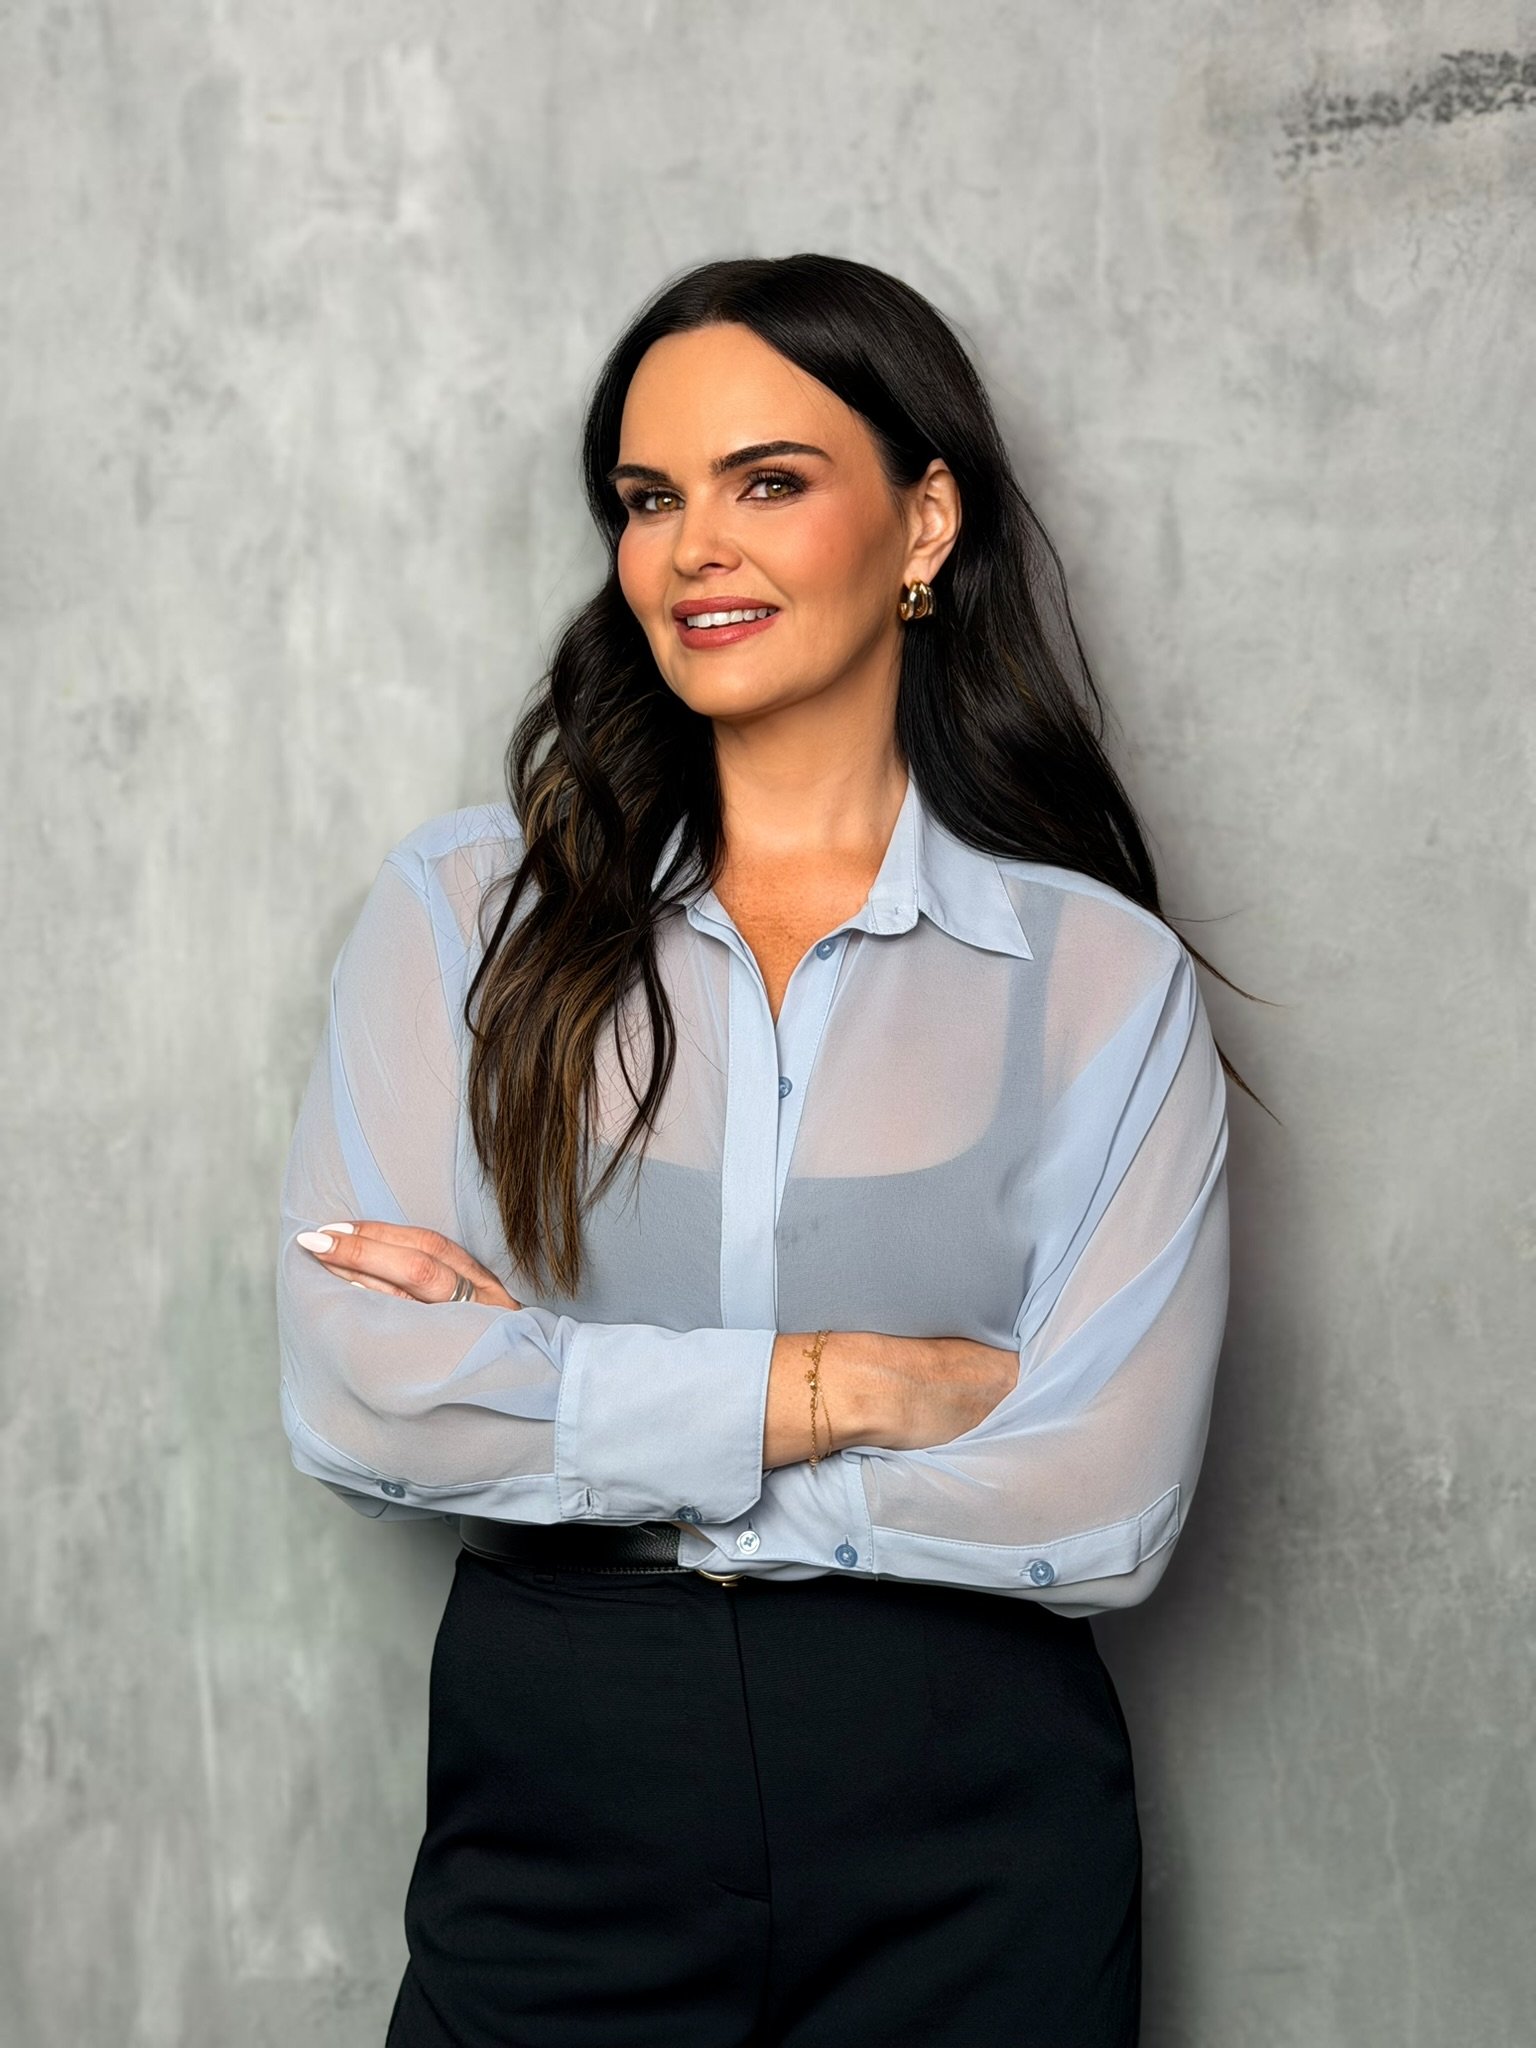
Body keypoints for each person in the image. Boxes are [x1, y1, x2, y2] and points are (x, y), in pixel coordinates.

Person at [276, 252, 1236, 2048]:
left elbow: (1101, 1503)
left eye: (768, 482)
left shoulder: (1099, 978)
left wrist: (559, 1395)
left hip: (977, 1826)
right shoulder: (461, 916)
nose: (692, 548)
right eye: (650, 500)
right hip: (558, 1787)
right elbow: (364, 1399)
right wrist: (854, 1383)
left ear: (925, 521)